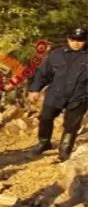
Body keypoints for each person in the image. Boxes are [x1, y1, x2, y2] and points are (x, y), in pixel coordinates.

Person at [28, 27, 88, 161]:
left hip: (79, 96)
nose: (76, 43)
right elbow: (43, 74)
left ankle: (64, 150)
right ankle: (44, 143)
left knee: (71, 124)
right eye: (73, 39)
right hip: (56, 93)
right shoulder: (56, 54)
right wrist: (35, 89)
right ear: (68, 38)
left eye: (80, 40)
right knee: (45, 118)